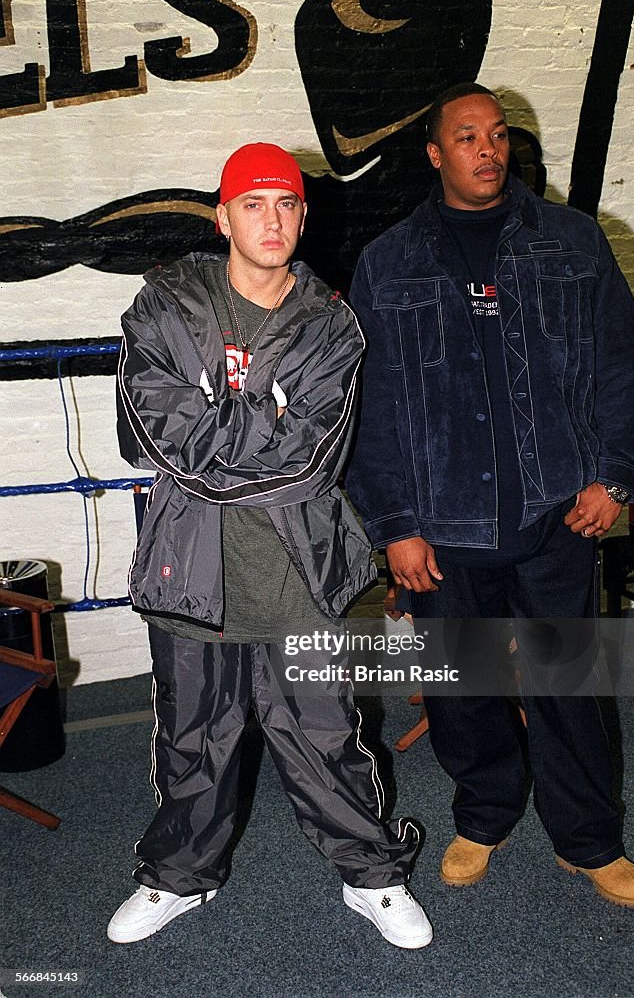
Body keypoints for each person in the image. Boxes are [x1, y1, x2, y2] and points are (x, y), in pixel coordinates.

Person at [345, 84, 634, 908]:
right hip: (442, 532)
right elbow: (370, 409)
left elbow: (624, 367)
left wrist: (616, 477)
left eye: (497, 134)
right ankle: (484, 817)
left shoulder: (573, 241)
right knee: (463, 691)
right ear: (435, 153)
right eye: (467, 137)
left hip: (558, 515)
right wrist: (394, 526)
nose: (488, 149)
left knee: (569, 687)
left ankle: (589, 842)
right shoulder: (389, 262)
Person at [110, 142, 432, 949]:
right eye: (253, 204)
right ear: (223, 217)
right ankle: (177, 876)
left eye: (286, 203)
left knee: (326, 736)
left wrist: (214, 421)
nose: (272, 219)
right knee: (193, 739)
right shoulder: (163, 306)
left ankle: (371, 874)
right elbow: (149, 437)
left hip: (299, 573)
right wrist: (269, 416)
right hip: (191, 570)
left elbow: (311, 464)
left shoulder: (331, 323)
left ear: (303, 216)